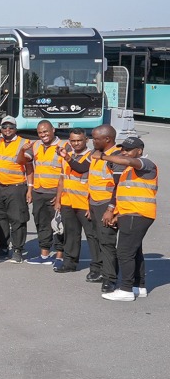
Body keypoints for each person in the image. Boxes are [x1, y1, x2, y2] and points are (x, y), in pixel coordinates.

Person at [99, 136, 155, 301]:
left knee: (124, 252)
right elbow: (124, 194)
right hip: (130, 214)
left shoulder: (146, 164)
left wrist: (103, 156)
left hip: (137, 214)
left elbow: (131, 162)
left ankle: (126, 290)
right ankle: (139, 286)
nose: (124, 153)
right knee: (135, 251)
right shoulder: (128, 170)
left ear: (139, 151)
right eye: (122, 149)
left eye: (128, 150)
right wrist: (117, 213)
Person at [0, 112, 31, 262]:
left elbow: (29, 167)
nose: (8, 129)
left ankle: (18, 249)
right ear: (1, 128)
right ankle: (2, 247)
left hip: (15, 187)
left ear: (15, 128)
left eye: (11, 126)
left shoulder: (24, 142)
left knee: (17, 219)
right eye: (4, 126)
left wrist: (30, 188)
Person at [85, 124, 123, 291]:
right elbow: (82, 170)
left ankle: (110, 278)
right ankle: (100, 271)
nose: (93, 141)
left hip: (105, 206)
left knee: (107, 242)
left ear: (107, 139)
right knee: (96, 238)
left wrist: (111, 209)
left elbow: (118, 186)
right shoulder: (98, 154)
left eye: (96, 138)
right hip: (94, 203)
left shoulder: (116, 157)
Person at [53, 129, 92, 274]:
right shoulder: (67, 156)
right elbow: (62, 179)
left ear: (86, 140)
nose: (76, 143)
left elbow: (84, 173)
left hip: (84, 203)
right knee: (70, 234)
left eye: (79, 140)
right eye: (73, 141)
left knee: (92, 236)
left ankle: (97, 267)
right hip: (67, 201)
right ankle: (69, 263)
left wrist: (91, 205)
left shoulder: (91, 156)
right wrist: (58, 200)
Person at [27, 120, 64, 264]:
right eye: (40, 133)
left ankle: (60, 256)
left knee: (59, 225)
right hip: (39, 191)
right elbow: (24, 161)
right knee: (41, 224)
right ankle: (44, 255)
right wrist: (23, 150)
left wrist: (60, 196)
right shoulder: (36, 145)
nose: (43, 135)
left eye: (46, 131)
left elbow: (66, 173)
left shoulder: (64, 146)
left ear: (53, 130)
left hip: (55, 193)